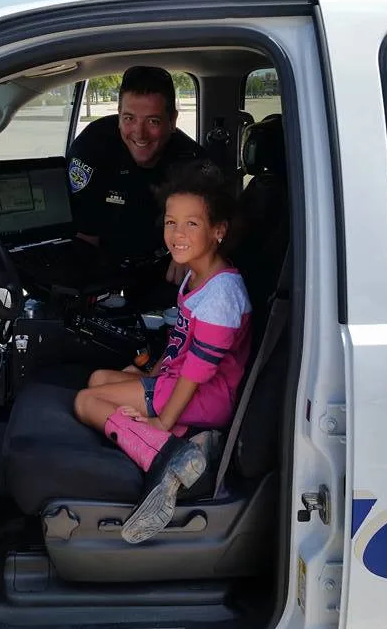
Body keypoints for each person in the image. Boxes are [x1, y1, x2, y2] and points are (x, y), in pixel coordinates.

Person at [73, 161, 252, 544]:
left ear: (218, 230)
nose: (177, 234)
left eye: (192, 224)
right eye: (171, 223)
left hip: (204, 395)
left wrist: (162, 420)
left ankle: (165, 454)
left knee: (86, 402)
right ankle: (190, 439)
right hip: (182, 382)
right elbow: (179, 344)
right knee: (99, 378)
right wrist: (151, 375)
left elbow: (198, 371)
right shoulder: (197, 275)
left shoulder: (221, 296)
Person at [66, 66, 207, 286]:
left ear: (172, 120)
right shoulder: (93, 148)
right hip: (103, 263)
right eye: (129, 118)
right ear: (118, 115)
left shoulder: (191, 161)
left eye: (153, 121)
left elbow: (227, 224)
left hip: (168, 266)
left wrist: (197, 253)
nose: (140, 134)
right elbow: (85, 237)